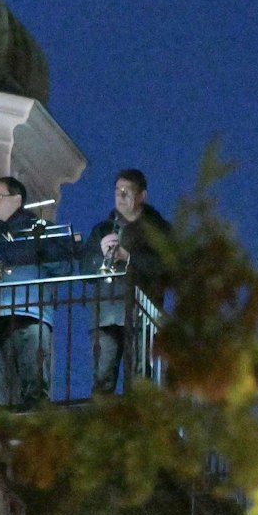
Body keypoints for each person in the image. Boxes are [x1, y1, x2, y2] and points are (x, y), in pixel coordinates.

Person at [0, 176, 72, 408]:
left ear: (17, 199)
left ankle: (35, 408)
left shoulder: (40, 229)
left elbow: (64, 266)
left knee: (33, 369)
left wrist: (41, 245)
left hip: (31, 310)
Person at [81, 169, 172, 395]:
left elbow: (167, 268)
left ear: (142, 196)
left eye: (126, 192)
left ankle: (137, 421)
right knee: (102, 376)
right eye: (117, 192)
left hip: (142, 312)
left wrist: (128, 257)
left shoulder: (159, 230)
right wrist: (101, 254)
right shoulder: (103, 229)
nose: (120, 197)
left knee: (140, 377)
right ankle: (103, 421)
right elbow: (85, 269)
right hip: (106, 313)